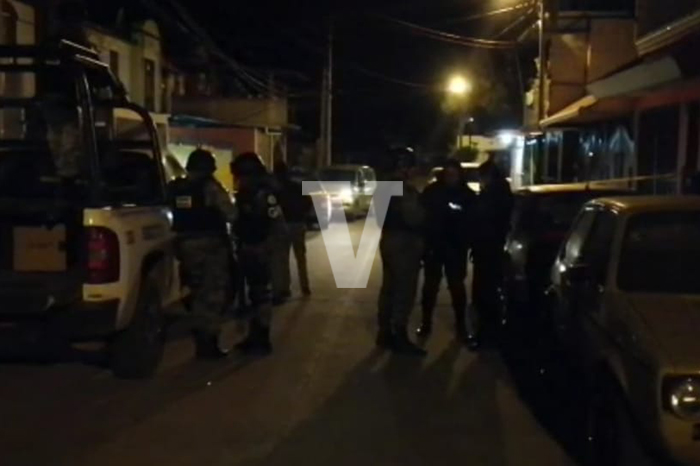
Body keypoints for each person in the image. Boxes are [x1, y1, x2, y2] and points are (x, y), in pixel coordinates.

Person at [169, 149, 237, 359]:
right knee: (213, 295)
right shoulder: (210, 187)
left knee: (196, 292)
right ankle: (208, 343)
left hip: (185, 247)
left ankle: (200, 340)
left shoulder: (176, 187)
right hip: (211, 246)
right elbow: (231, 214)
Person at [418, 159, 478, 348]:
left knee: (457, 287)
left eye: (454, 174)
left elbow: (472, 219)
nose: (451, 178)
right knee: (430, 287)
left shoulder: (466, 194)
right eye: (448, 174)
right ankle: (426, 324)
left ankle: (461, 326)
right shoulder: (432, 192)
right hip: (435, 247)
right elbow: (422, 217)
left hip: (456, 248)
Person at [231, 152, 283, 354]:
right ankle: (254, 336)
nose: (238, 180)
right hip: (247, 247)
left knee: (261, 295)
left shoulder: (264, 196)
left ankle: (262, 338)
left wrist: (266, 248)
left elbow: (276, 224)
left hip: (260, 249)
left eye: (241, 176)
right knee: (253, 295)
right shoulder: (247, 193)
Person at [377, 149, 426, 356]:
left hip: (388, 239)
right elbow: (414, 217)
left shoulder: (383, 186)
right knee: (404, 290)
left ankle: (384, 332)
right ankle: (399, 334)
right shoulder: (403, 189)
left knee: (388, 289)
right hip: (404, 243)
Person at [472, 160, 514, 346]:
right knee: (489, 294)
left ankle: (486, 335)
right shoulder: (501, 193)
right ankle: (488, 334)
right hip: (489, 248)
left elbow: (483, 220)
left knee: (485, 294)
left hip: (488, 250)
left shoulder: (493, 196)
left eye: (481, 177)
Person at [273, 161, 313, 299]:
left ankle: (285, 288)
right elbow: (308, 202)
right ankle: (305, 286)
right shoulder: (297, 187)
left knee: (283, 258)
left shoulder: (278, 190)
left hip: (284, 224)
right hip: (298, 223)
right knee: (300, 257)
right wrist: (303, 215)